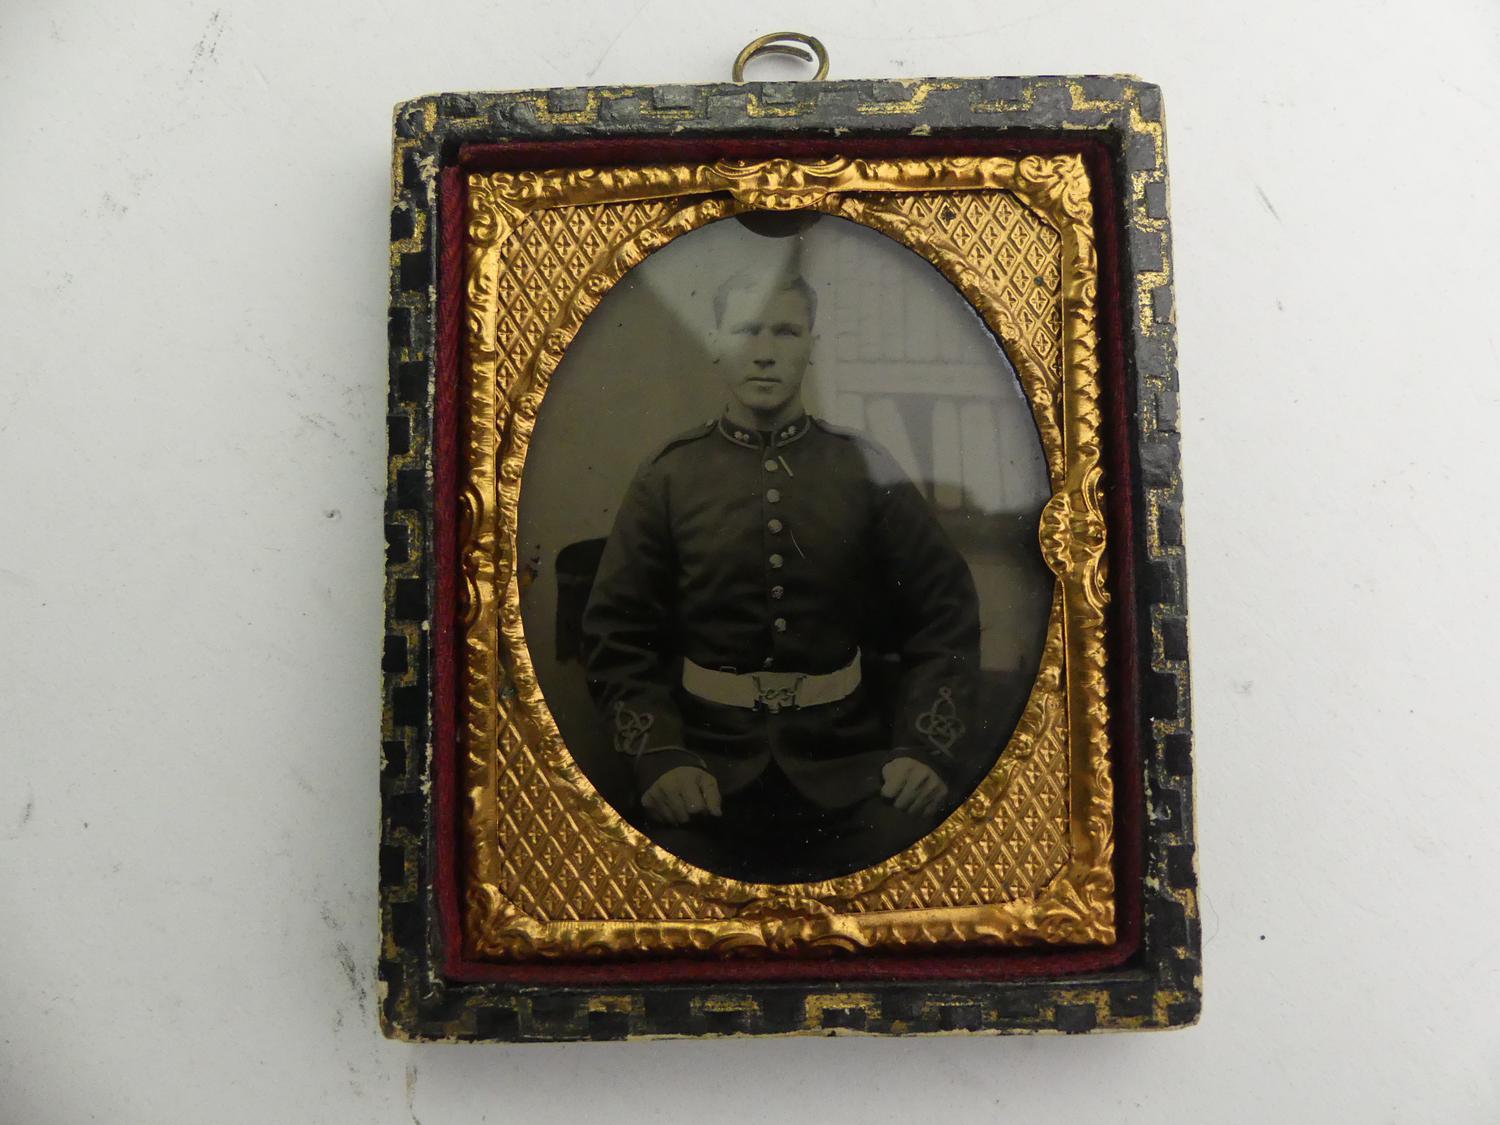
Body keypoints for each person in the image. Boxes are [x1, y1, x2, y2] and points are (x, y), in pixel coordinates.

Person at [580, 266, 980, 882]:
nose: (764, 352)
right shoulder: (669, 475)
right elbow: (616, 633)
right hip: (703, 770)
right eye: (746, 331)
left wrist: (925, 751)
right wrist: (660, 757)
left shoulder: (863, 466)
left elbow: (944, 613)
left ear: (812, 347)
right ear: (715, 343)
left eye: (786, 332)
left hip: (851, 767)